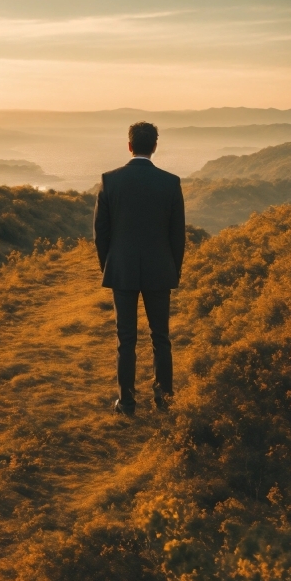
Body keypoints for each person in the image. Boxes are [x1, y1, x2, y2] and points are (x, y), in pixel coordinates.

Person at [93, 121, 185, 416]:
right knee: (161, 338)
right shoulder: (171, 183)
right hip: (160, 270)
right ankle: (164, 401)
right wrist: (174, 270)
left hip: (122, 270)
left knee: (126, 340)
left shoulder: (110, 181)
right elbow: (177, 235)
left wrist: (109, 265)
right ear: (154, 146)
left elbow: (101, 234)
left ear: (130, 145)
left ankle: (127, 403)